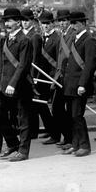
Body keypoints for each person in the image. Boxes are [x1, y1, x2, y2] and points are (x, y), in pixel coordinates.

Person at [0, 8, 33, 161]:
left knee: (23, 118)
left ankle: (23, 151)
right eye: (5, 20)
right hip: (4, 84)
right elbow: (2, 64)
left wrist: (12, 84)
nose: (7, 23)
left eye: (10, 20)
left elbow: (23, 65)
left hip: (20, 85)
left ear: (18, 21)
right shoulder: (6, 39)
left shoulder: (24, 40)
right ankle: (13, 143)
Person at [62, 12, 96, 157]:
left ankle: (84, 146)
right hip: (70, 84)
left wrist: (82, 84)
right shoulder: (75, 38)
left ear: (82, 23)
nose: (72, 26)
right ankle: (75, 144)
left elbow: (90, 64)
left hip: (79, 85)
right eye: (71, 23)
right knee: (71, 116)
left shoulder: (89, 40)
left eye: (75, 23)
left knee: (77, 115)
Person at [36, 11, 60, 145]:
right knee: (40, 104)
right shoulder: (40, 38)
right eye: (43, 23)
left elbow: (59, 60)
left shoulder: (57, 39)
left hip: (53, 78)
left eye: (47, 23)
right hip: (42, 77)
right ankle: (51, 129)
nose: (45, 26)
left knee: (56, 108)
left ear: (52, 23)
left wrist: (55, 78)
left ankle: (56, 135)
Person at [52, 9, 75, 150]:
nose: (62, 23)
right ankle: (66, 137)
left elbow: (73, 58)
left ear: (69, 21)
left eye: (64, 20)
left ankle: (71, 139)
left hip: (69, 78)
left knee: (69, 111)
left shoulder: (73, 35)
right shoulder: (63, 35)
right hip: (60, 77)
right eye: (60, 21)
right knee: (57, 109)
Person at [21, 8, 43, 139]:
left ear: (32, 22)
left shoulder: (34, 36)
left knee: (32, 106)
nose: (25, 23)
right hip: (22, 73)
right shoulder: (22, 35)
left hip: (30, 74)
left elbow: (34, 59)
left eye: (27, 20)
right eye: (23, 20)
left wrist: (33, 77)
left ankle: (33, 131)